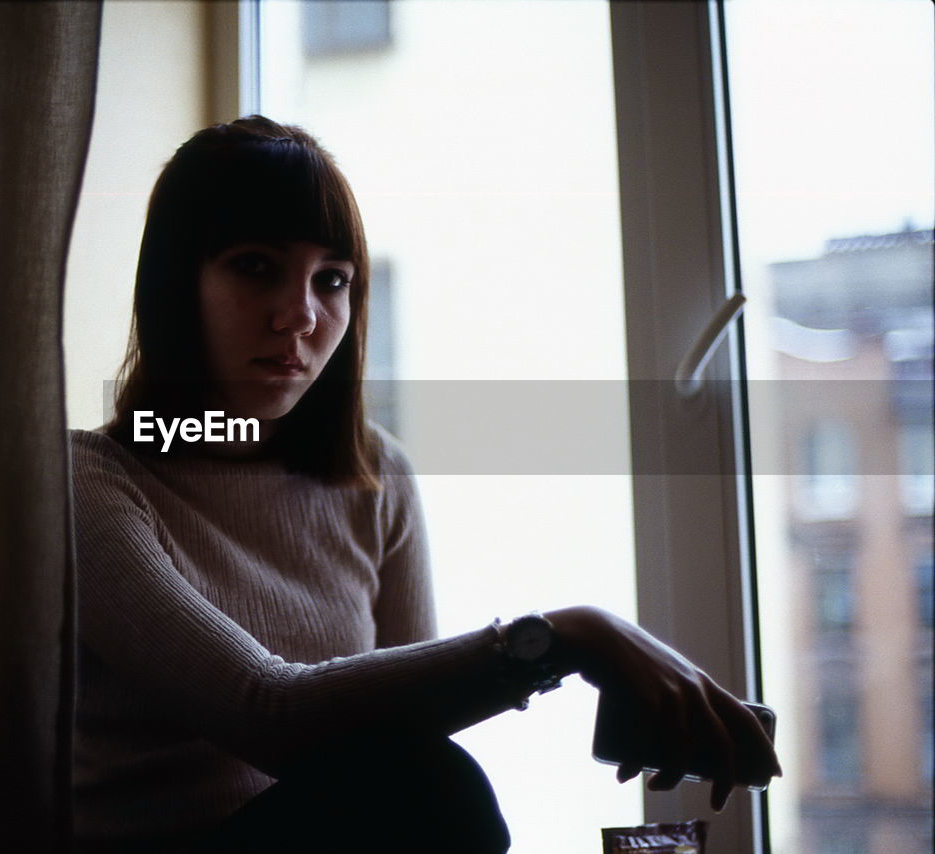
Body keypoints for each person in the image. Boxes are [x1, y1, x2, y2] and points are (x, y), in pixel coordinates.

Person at [69, 116, 780, 853]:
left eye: (332, 280)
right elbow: (268, 715)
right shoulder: (92, 480)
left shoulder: (376, 478)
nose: (301, 317)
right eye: (255, 266)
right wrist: (568, 637)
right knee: (430, 782)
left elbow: (402, 730)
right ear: (174, 281)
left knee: (428, 773)